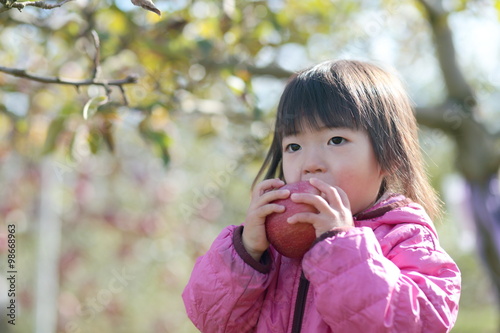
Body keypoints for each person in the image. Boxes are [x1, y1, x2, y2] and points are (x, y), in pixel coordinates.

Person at [182, 59, 461, 332]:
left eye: (335, 140)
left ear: (389, 157)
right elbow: (212, 321)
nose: (309, 163)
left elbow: (416, 323)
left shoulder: (404, 237)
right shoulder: (273, 247)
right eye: (293, 146)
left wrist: (338, 247)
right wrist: (246, 253)